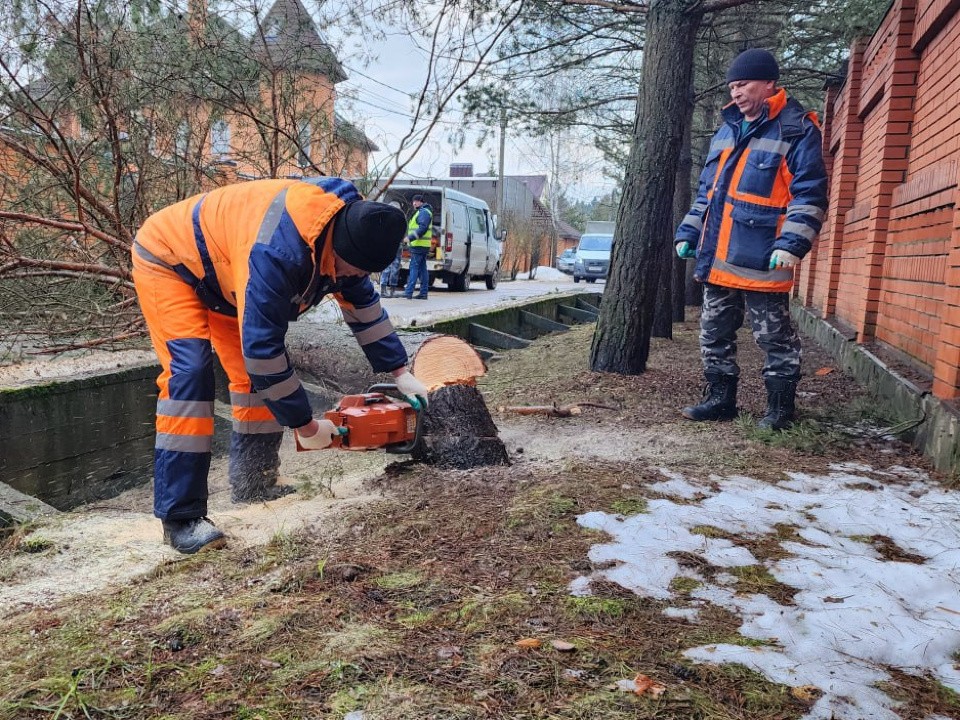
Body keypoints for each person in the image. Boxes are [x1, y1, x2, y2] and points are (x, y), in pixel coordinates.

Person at [132, 177, 430, 554]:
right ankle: (181, 519)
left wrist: (401, 372)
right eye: (351, 272)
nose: (353, 280)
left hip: (226, 276)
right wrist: (305, 425)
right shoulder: (279, 253)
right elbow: (264, 352)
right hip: (171, 261)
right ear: (338, 251)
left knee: (252, 382)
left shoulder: (350, 231)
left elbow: (364, 308)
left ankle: (255, 481)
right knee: (189, 374)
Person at [674, 48, 828, 431]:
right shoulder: (726, 130)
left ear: (769, 83)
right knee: (713, 333)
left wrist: (790, 244)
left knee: (774, 337)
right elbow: (707, 193)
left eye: (743, 84)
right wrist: (690, 231)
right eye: (732, 86)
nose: (736, 93)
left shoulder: (796, 128)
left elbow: (808, 194)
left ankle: (779, 411)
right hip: (718, 255)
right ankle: (720, 400)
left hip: (764, 256)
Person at [402, 194, 433, 300]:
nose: (414, 203)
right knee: (422, 269)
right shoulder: (423, 211)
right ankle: (423, 293)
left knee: (414, 268)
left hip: (418, 245)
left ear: (421, 202)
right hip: (421, 245)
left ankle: (408, 292)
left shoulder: (423, 212)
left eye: (417, 201)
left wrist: (409, 238)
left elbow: (422, 228)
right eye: (413, 201)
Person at [379, 202, 403, 298]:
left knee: (389, 267)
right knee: (393, 267)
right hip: (395, 244)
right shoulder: (400, 218)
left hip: (391, 244)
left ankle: (386, 290)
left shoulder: (384, 217)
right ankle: (390, 290)